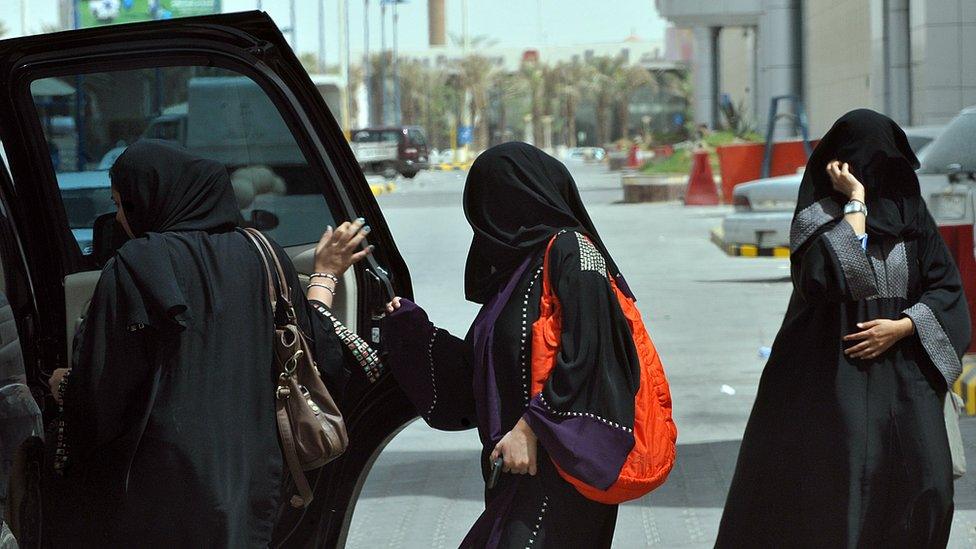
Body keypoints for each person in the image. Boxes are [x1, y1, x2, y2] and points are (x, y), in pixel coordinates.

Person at [42, 139, 372, 547]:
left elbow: (104, 389)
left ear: (150, 199)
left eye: (121, 204)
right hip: (255, 478)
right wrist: (325, 277)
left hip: (159, 488)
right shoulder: (263, 253)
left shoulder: (135, 265)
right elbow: (319, 354)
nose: (121, 219)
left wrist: (65, 389)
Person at [716, 109, 971, 547]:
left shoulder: (912, 217)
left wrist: (903, 326)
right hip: (833, 380)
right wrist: (855, 201)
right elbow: (830, 277)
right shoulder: (818, 217)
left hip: (905, 380)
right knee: (843, 494)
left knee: (927, 486)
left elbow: (945, 288)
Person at [382, 142, 645, 548]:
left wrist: (532, 427)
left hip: (561, 472)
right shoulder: (516, 276)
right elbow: (478, 378)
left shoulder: (574, 252)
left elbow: (594, 355)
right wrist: (413, 331)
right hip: (517, 473)